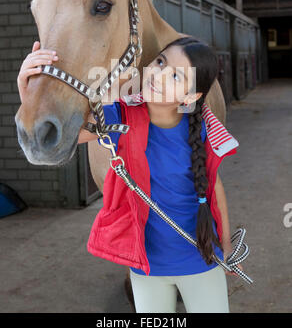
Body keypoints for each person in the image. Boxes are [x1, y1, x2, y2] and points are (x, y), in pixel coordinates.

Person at [17, 36, 242, 313]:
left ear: (190, 97)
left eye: (174, 75)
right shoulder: (119, 117)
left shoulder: (202, 130)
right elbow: (63, 136)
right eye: (160, 62)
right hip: (146, 267)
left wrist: (228, 245)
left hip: (202, 262)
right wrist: (29, 91)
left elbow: (214, 188)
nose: (158, 75)